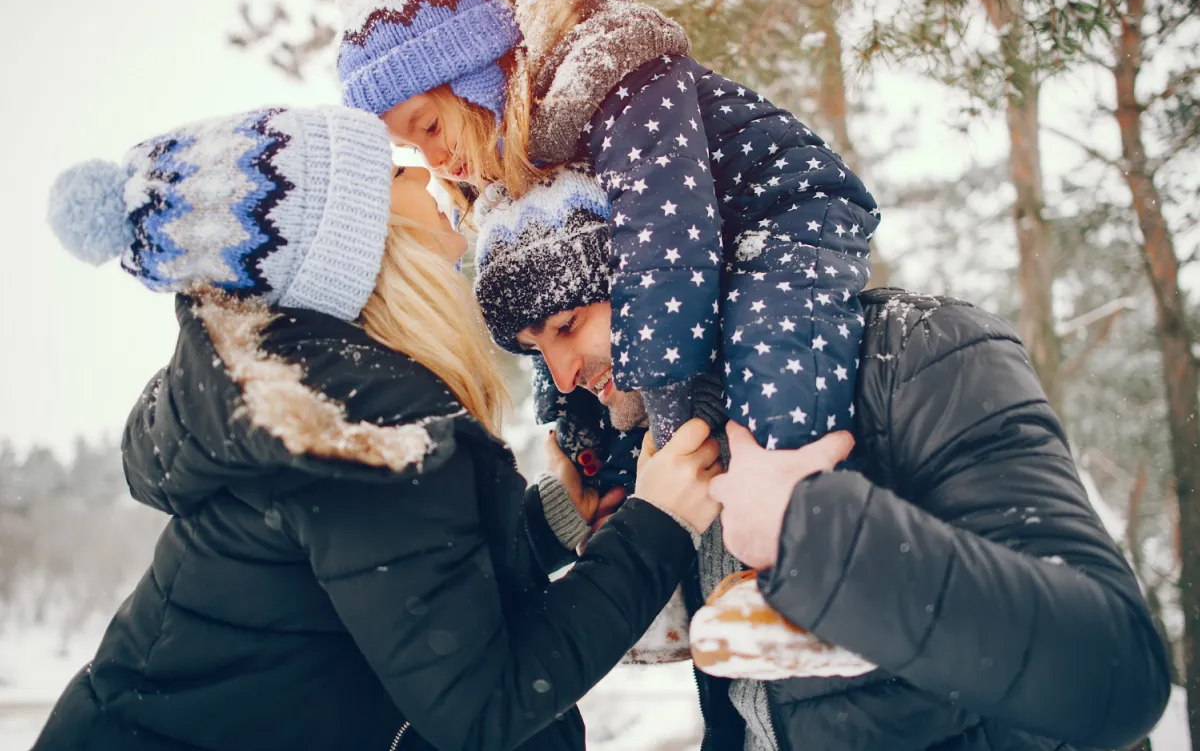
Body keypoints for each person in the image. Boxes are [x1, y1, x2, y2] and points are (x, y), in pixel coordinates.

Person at [34, 104, 722, 751]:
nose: (424, 172)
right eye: (394, 173)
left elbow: (386, 596)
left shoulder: (316, 406)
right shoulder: (361, 432)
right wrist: (657, 524)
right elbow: (483, 704)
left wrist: (546, 527)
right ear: (359, 240)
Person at [471, 198, 1174, 751]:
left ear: (662, 272)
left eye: (568, 323)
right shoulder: (671, 455)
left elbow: (1117, 669)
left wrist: (812, 532)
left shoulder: (918, 353)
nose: (563, 375)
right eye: (538, 350)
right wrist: (572, 518)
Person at [334, 0, 879, 452]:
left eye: (429, 126)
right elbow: (557, 302)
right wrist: (584, 442)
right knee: (615, 408)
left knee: (774, 374)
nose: (432, 159)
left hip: (781, 213)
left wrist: (670, 437)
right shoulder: (512, 158)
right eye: (411, 147)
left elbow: (663, 251)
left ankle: (795, 502)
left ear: (474, 76)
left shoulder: (611, 73)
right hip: (704, 249)